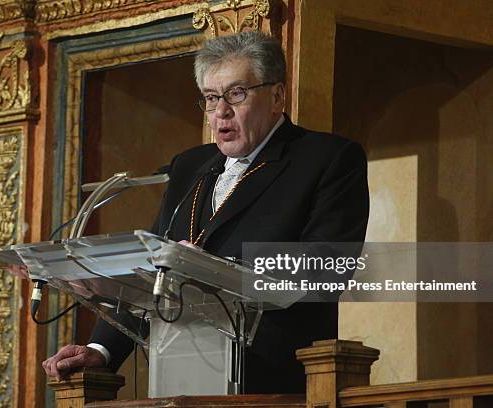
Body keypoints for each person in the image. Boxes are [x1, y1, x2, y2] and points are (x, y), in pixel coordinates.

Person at [18, 31, 369, 394]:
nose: (221, 113)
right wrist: (101, 350)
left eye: (237, 94)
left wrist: (211, 271)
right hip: (178, 376)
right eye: (211, 98)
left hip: (273, 382)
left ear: (277, 96)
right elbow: (151, 273)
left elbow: (328, 266)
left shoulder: (326, 158)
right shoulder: (190, 166)